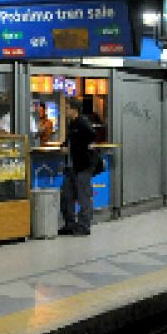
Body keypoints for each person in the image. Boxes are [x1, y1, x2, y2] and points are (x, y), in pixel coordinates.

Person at [59, 98, 96, 236]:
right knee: (66, 196)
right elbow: (69, 141)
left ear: (74, 109)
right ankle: (70, 223)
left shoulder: (82, 123)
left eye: (67, 107)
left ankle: (84, 225)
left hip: (82, 167)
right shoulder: (72, 124)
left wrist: (72, 148)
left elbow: (91, 137)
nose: (65, 110)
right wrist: (64, 145)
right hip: (70, 167)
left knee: (83, 197)